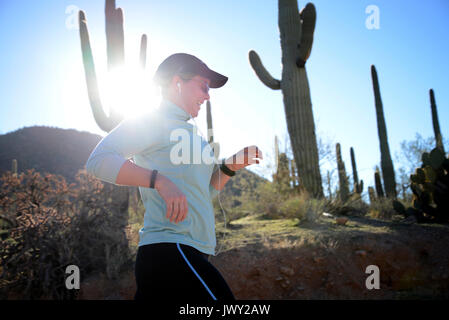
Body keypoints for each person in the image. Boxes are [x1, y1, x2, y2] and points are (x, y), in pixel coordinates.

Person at [85, 53, 263, 301]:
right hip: (170, 250)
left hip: (194, 251)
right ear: (177, 82)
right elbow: (98, 160)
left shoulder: (194, 134)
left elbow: (205, 192)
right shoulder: (152, 121)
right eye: (203, 86)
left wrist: (231, 166)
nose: (208, 96)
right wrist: (159, 180)